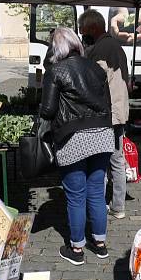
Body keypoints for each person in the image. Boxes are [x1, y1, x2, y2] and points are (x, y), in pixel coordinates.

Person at [40, 27, 114, 266]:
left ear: (56, 48)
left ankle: (77, 248)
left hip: (73, 137)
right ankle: (100, 245)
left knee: (75, 196)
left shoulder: (55, 71)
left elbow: (48, 111)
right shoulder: (96, 68)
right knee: (96, 192)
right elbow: (107, 103)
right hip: (103, 134)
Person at [79, 9, 130, 219]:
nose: (81, 33)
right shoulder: (115, 46)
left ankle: (102, 205)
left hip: (108, 114)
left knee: (102, 160)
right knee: (117, 160)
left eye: (83, 29)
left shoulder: (101, 49)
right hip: (118, 111)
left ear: (93, 28)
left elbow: (96, 84)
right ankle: (118, 205)